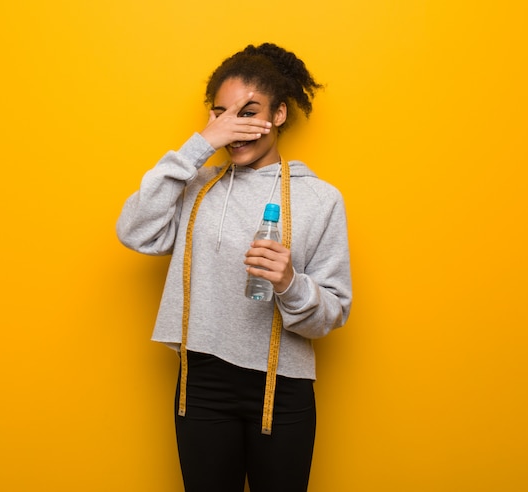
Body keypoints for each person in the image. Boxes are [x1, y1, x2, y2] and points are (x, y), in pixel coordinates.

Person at [116, 42, 352, 492]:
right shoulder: (195, 187)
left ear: (279, 115)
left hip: (282, 389)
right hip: (201, 383)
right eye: (222, 114)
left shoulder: (321, 199)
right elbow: (134, 231)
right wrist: (199, 147)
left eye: (249, 112)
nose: (234, 128)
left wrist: (290, 283)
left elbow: (334, 312)